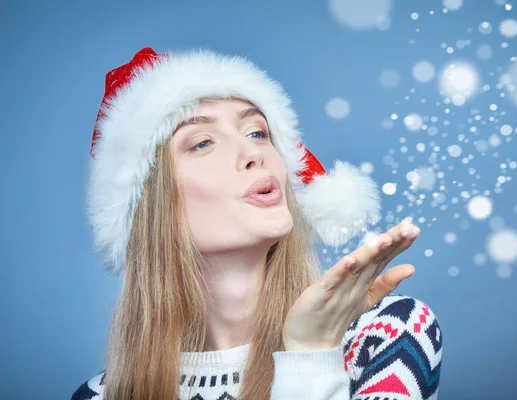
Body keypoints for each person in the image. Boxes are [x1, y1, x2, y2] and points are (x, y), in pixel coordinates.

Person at [71, 47, 443, 400]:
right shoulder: (101, 394)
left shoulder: (389, 333)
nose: (253, 153)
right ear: (150, 206)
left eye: (257, 133)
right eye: (202, 142)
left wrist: (311, 355)